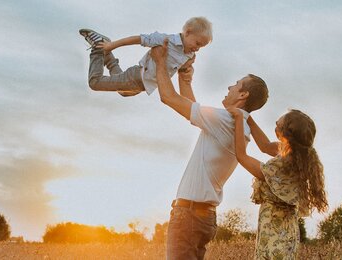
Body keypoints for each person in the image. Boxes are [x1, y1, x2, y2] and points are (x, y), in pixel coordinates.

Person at [150, 39, 269, 260]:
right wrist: (184, 75)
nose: (229, 87)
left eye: (236, 84)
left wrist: (159, 62)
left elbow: (169, 97)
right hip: (201, 216)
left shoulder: (226, 119)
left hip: (190, 216)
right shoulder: (236, 124)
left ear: (243, 95)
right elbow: (192, 108)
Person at [227, 107, 328, 259]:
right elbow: (265, 146)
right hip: (286, 232)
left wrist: (238, 119)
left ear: (286, 133)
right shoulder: (296, 156)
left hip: (274, 234)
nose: (275, 124)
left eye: (277, 125)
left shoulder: (281, 166)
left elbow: (241, 156)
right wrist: (248, 118)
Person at [79, 17, 212, 97]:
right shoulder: (165, 40)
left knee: (122, 92)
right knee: (95, 83)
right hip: (136, 77)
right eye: (197, 43)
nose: (197, 48)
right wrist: (112, 45)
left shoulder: (189, 55)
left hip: (143, 86)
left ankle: (105, 49)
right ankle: (99, 47)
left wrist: (189, 69)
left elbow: (183, 71)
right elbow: (138, 39)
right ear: (188, 33)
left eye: (201, 47)